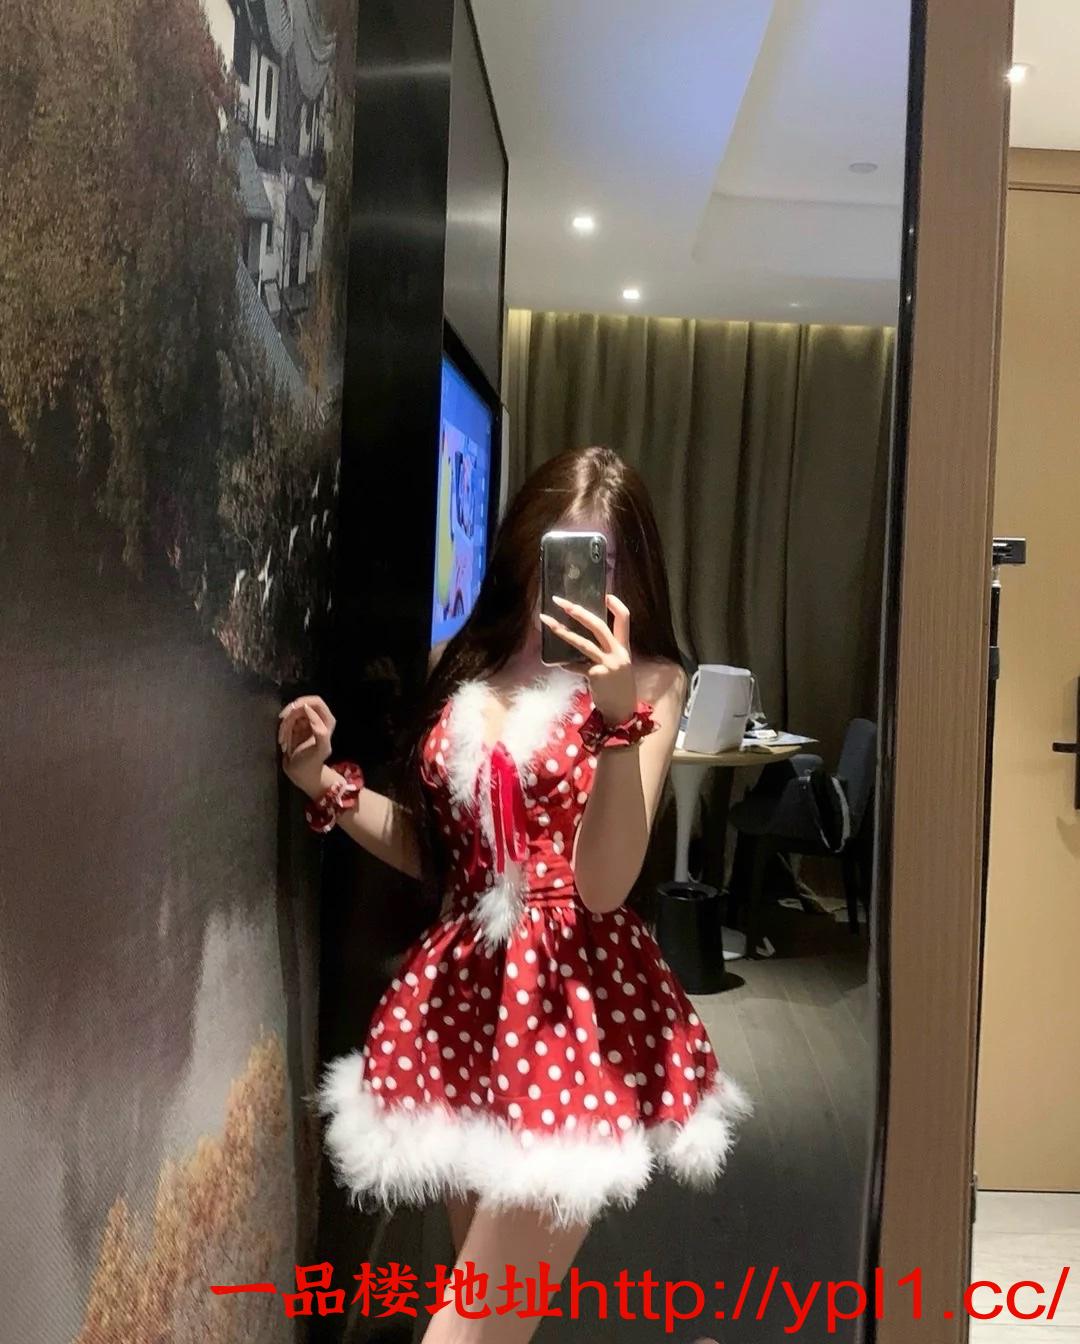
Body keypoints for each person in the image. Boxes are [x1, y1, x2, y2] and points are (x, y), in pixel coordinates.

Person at [278, 446, 751, 1342]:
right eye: (553, 553)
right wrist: (323, 784)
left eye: (597, 561)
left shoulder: (652, 683)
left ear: (630, 573)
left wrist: (617, 722)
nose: (568, 584)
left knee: (466, 1329)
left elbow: (603, 885)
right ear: (522, 549)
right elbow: (442, 856)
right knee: (489, 1318)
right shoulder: (462, 663)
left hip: (570, 1013)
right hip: (460, 1005)